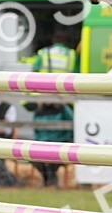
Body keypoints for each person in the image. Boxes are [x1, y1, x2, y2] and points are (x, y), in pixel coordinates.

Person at [28, 32, 77, 187]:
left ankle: (48, 177)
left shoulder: (42, 53)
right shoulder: (71, 54)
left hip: (43, 102)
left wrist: (34, 98)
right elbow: (75, 77)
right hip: (61, 102)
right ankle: (51, 176)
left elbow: (32, 76)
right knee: (61, 143)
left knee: (38, 147)